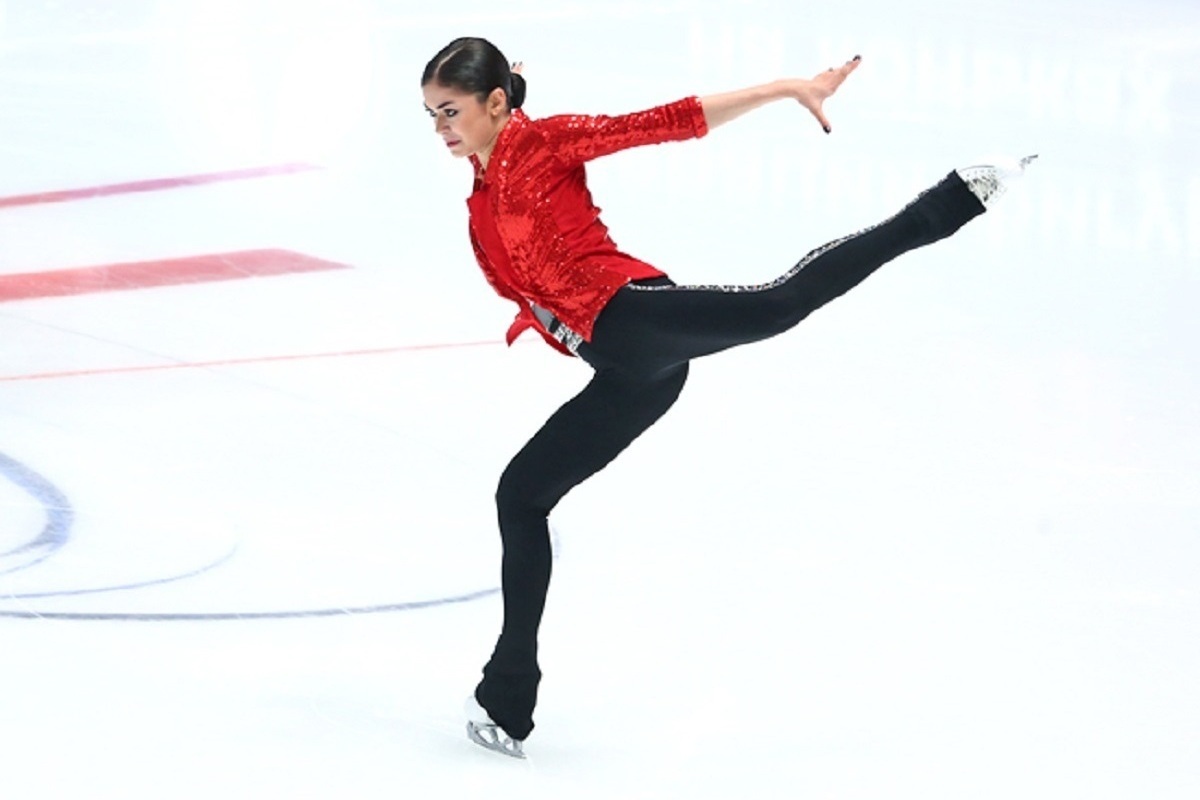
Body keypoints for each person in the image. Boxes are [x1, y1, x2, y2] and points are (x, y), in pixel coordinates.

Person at [420, 36, 1033, 758]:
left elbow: (665, 121)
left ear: (493, 103)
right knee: (520, 496)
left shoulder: (543, 144)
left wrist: (786, 88)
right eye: (432, 114)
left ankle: (947, 204)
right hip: (626, 372)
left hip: (634, 316)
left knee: (779, 303)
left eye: (451, 110)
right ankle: (507, 696)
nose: (441, 128)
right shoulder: (483, 183)